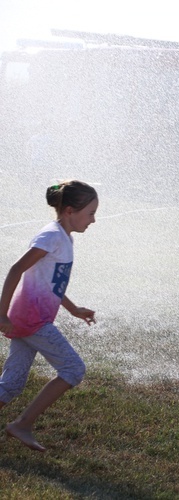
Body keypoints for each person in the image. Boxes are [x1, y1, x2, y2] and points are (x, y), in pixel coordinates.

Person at [0, 180, 98, 452]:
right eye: (90, 213)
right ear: (69, 210)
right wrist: (1, 313)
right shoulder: (51, 235)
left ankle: (21, 424)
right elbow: (16, 269)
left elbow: (51, 283)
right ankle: (22, 424)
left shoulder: (65, 237)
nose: (93, 220)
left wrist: (72, 308)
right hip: (32, 321)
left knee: (11, 384)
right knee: (74, 369)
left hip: (30, 319)